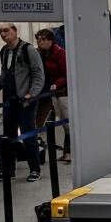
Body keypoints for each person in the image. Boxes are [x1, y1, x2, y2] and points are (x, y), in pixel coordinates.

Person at [0, 22, 45, 182]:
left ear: (15, 31)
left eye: (6, 30)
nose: (3, 34)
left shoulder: (28, 50)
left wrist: (31, 94)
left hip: (25, 101)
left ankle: (35, 169)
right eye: (0, 31)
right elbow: (5, 75)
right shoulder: (4, 52)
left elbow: (38, 74)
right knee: (7, 136)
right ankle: (8, 170)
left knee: (28, 135)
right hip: (10, 101)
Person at [32, 28, 71, 163]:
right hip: (51, 92)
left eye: (42, 39)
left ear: (50, 40)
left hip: (62, 91)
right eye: (38, 39)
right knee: (60, 122)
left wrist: (57, 83)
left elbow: (67, 73)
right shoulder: (42, 54)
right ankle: (67, 152)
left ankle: (70, 152)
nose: (39, 42)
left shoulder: (60, 53)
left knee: (68, 122)